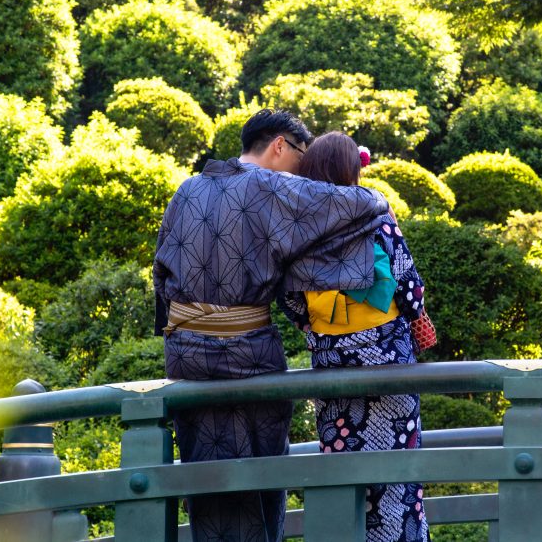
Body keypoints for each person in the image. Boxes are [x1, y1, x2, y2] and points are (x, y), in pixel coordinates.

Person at [153, 111, 390, 542]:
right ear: (280, 145)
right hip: (247, 356)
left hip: (185, 355)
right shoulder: (271, 185)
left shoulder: (186, 189)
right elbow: (363, 205)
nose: (304, 169)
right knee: (262, 481)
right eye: (301, 155)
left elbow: (161, 273)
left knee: (207, 480)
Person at [279, 132, 431, 542]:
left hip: (332, 360)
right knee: (398, 474)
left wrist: (318, 328)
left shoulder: (299, 228)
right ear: (353, 170)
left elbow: (290, 299)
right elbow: (408, 284)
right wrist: (417, 323)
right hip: (387, 356)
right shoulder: (376, 214)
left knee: (342, 473)